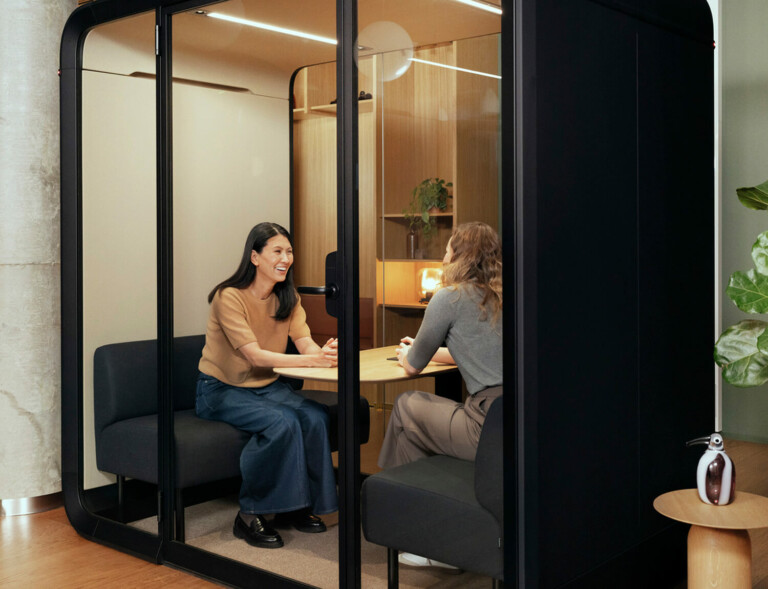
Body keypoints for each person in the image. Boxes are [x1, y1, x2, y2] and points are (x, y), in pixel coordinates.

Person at [196, 222, 339, 549]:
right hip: (220, 390)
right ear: (255, 257)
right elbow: (254, 356)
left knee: (316, 417)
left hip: (266, 388)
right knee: (283, 422)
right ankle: (249, 513)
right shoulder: (228, 297)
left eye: (289, 251)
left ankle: (297, 506)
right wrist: (309, 361)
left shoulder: (288, 297)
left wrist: (323, 353)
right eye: (277, 251)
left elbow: (305, 344)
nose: (286, 258)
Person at [378, 221, 503, 570]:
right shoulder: (504, 295)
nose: (443, 255)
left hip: (485, 426)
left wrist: (410, 353)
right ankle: (434, 526)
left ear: (460, 255)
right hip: (515, 419)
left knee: (405, 406)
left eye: (447, 249)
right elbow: (474, 348)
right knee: (414, 425)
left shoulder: (449, 297)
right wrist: (427, 350)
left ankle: (413, 528)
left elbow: (413, 366)